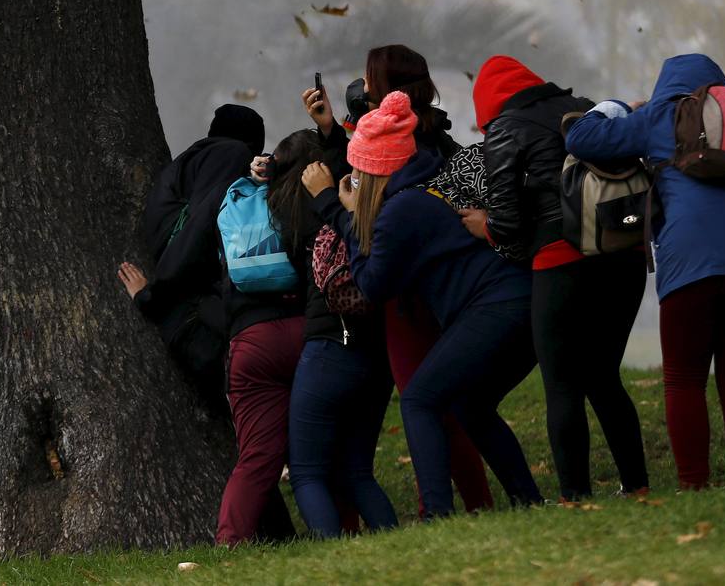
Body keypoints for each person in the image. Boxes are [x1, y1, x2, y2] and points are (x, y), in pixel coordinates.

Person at [565, 54, 725, 490]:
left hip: (693, 258)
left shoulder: (661, 115)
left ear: (667, 86)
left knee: (684, 378)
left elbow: (581, 138)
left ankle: (694, 485)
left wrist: (621, 107)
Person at [303, 91, 542, 519]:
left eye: (358, 171)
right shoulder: (418, 193)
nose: (354, 178)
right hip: (515, 302)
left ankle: (437, 514)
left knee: (420, 400)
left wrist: (332, 206)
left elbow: (373, 282)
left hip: (496, 307)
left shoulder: (402, 209)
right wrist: (349, 214)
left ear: (375, 172)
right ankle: (528, 501)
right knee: (470, 404)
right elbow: (379, 255)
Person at [462, 55, 649, 502]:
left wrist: (482, 225)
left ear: (487, 105)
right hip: (623, 255)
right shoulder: (583, 107)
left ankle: (573, 496)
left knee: (562, 382)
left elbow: (507, 223)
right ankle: (637, 485)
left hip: (561, 262)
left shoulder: (506, 127)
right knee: (604, 376)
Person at [271, 131, 396, 539]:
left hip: (328, 346)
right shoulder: (361, 207)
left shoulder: (295, 211)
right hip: (378, 354)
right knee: (357, 471)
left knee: (307, 473)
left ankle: (333, 554)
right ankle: (397, 543)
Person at [118, 104, 264, 415]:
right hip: (187, 291)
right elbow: (199, 226)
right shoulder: (232, 153)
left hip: (184, 290)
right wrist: (152, 296)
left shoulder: (193, 160)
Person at [215, 128, 318, 546]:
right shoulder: (307, 207)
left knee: (257, 457)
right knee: (322, 449)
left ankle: (229, 542)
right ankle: (340, 530)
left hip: (251, 342)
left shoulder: (241, 206)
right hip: (307, 334)